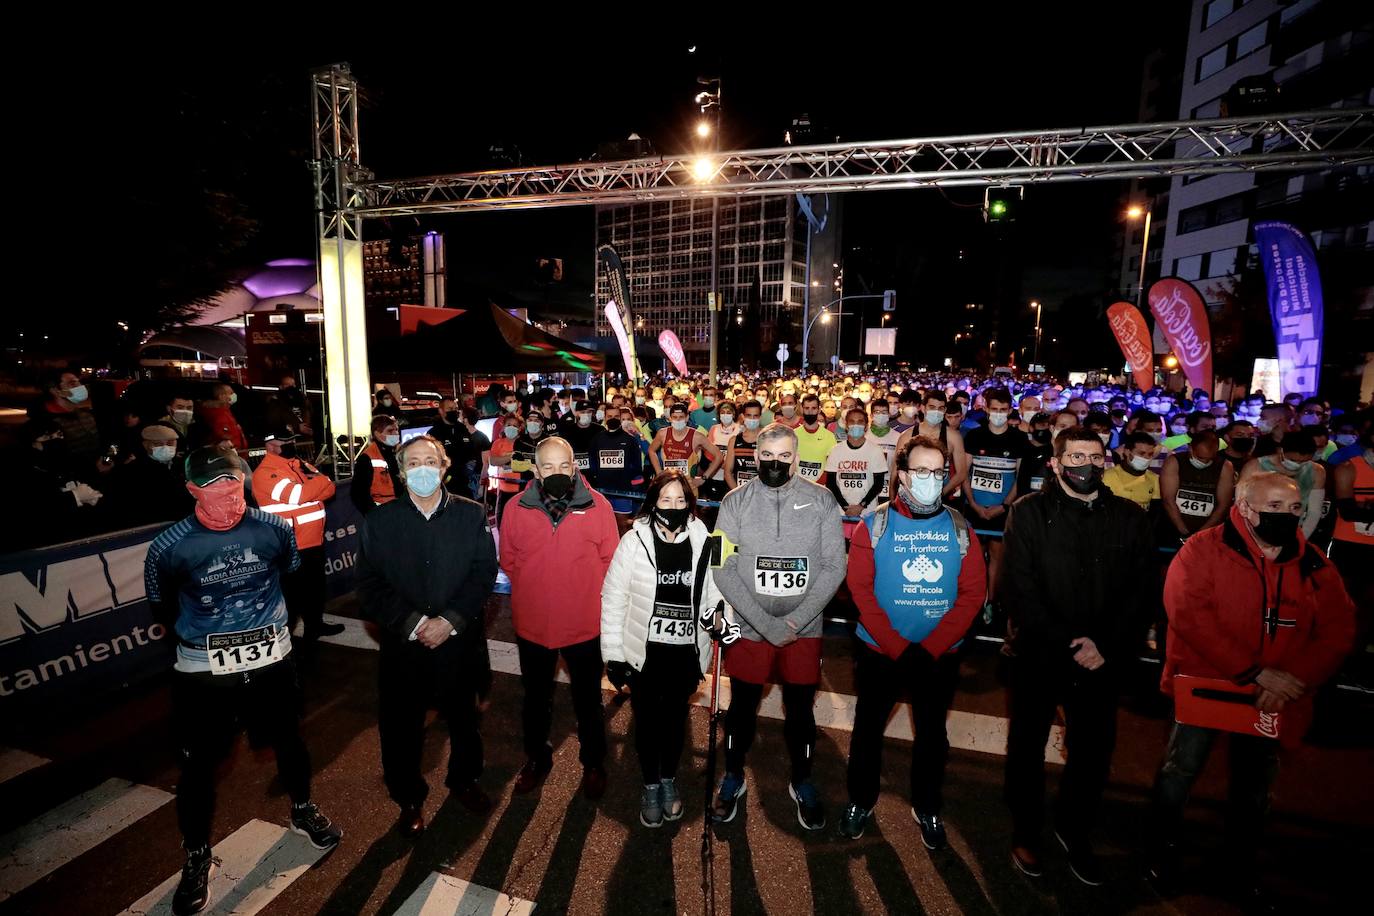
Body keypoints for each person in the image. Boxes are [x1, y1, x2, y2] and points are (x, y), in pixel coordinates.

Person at [145, 446, 341, 915]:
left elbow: (290, 581)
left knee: (290, 741)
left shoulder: (274, 528)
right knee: (198, 766)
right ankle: (196, 854)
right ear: (191, 489)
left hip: (272, 661)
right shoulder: (169, 547)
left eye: (232, 481)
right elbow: (163, 610)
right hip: (204, 674)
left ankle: (302, 810)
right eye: (211, 485)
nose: (225, 493)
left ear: (245, 479)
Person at [1146, 472, 1355, 907]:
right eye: (1275, 507)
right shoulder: (1203, 550)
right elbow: (1188, 615)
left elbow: (1338, 629)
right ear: (1244, 508)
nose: (1288, 516)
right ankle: (1163, 853)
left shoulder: (1313, 562)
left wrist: (1294, 680)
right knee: (1179, 773)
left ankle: (1238, 864)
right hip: (1209, 687)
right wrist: (1255, 672)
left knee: (1254, 787)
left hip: (1273, 696)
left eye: (1295, 509)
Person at [1000, 428, 1155, 884]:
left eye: (1093, 456)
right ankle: (1026, 830)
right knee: (1026, 748)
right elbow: (1019, 586)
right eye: (1074, 456)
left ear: (1107, 460)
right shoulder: (1028, 513)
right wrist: (1069, 640)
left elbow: (1142, 591)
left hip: (1102, 660)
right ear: (1055, 462)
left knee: (1092, 751)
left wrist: (1104, 644)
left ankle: (1075, 829)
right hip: (1041, 653)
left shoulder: (1130, 518)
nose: (1084, 465)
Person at [839, 436, 987, 845]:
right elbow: (860, 591)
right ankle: (860, 800)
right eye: (920, 471)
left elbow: (974, 594)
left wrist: (933, 647)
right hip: (879, 652)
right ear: (902, 475)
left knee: (932, 737)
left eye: (937, 472)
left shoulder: (960, 527)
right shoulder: (876, 524)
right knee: (868, 731)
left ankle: (927, 807)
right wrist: (899, 647)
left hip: (937, 658)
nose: (929, 479)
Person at [355, 434, 497, 837]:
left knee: (464, 720)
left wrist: (449, 620)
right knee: (401, 727)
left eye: (430, 461)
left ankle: (464, 780)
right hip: (405, 647)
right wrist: (416, 624)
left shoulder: (470, 515)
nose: (422, 469)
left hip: (459, 643)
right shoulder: (380, 522)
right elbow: (368, 585)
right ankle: (409, 798)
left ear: (444, 466)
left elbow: (484, 572)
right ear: (401, 472)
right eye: (413, 462)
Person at [710, 423, 846, 831]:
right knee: (741, 710)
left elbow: (834, 566)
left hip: (802, 631)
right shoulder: (732, 503)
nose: (775, 464)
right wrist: (764, 623)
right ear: (754, 457)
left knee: (801, 712)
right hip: (752, 629)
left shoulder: (822, 501)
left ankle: (802, 780)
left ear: (797, 457)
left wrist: (793, 621)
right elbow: (721, 566)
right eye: (766, 456)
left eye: (784, 457)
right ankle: (732, 776)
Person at [600, 471, 731, 827]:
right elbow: (614, 598)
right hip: (644, 653)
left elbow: (716, 592)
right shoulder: (633, 541)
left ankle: (670, 781)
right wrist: (613, 655)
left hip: (685, 653)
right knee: (646, 723)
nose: (672, 507)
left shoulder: (707, 541)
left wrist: (721, 619)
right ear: (653, 503)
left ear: (690, 504)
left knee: (675, 721)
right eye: (665, 500)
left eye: (680, 501)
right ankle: (650, 783)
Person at [500, 437, 620, 799]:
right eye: (547, 466)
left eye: (563, 465)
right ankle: (537, 758)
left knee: (588, 701)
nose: (556, 472)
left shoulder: (598, 505)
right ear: (535, 470)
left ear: (575, 466)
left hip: (584, 625)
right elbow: (508, 559)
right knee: (535, 699)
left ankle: (594, 762)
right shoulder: (514, 507)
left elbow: (610, 562)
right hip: (533, 626)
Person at [253, 431, 343, 640]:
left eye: (291, 440)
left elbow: (329, 489)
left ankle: (315, 625)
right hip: (291, 544)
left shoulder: (297, 463)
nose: (291, 443)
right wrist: (319, 482)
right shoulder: (266, 472)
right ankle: (287, 638)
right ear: (270, 444)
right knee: (292, 596)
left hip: (313, 540)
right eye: (285, 441)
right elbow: (298, 495)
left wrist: (318, 484)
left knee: (315, 588)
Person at [961, 387, 1027, 615]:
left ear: (1010, 411)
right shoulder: (974, 436)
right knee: (976, 559)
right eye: (994, 409)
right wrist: (974, 504)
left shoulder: (1019, 438)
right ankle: (975, 602)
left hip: (1002, 511)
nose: (999, 413)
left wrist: (1004, 506)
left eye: (1003, 410)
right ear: (986, 410)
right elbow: (964, 473)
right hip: (975, 509)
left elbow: (1020, 478)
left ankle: (991, 602)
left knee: (997, 560)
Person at [1240, 428, 1327, 539]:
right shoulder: (1255, 466)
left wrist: (1302, 538)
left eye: (1304, 462)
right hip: (1257, 529)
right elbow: (1240, 504)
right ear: (1280, 450)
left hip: (1295, 530)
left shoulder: (1317, 471)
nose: (1298, 465)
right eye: (1293, 460)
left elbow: (1314, 511)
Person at [108, 424, 194, 528]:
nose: (165, 447)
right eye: (158, 444)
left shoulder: (184, 464)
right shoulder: (135, 470)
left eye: (170, 443)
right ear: (146, 445)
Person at [1159, 430, 1233, 543]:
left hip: (1207, 532)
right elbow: (1168, 499)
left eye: (1210, 458)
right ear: (1190, 448)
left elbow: (1223, 505)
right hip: (1173, 528)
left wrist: (1199, 535)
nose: (1205, 461)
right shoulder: (1174, 461)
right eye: (1200, 457)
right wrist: (1184, 532)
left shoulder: (1225, 466)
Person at [895, 389, 968, 501]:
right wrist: (893, 499)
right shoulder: (907, 436)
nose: (936, 411)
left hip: (942, 496)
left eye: (940, 408)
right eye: (932, 407)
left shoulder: (954, 437)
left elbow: (961, 472)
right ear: (923, 408)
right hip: (912, 497)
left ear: (945, 410)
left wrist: (941, 493)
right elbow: (896, 472)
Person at [34, 367, 103, 480]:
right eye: (72, 383)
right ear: (56, 391)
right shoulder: (44, 423)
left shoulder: (88, 415)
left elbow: (106, 442)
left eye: (79, 382)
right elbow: (55, 462)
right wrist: (92, 468)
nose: (80, 387)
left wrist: (107, 459)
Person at [587, 405, 647, 533]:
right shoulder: (597, 439)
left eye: (616, 416)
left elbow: (636, 466)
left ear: (620, 418)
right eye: (609, 416)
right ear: (604, 418)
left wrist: (628, 481)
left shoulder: (630, 440)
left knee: (622, 527)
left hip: (623, 492)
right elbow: (592, 463)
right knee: (602, 528)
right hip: (602, 492)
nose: (613, 419)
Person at [825, 407, 889, 520]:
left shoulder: (876, 450)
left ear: (866, 426)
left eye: (860, 422)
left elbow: (878, 484)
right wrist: (846, 507)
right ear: (846, 425)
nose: (856, 425)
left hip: (868, 513)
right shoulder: (835, 450)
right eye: (852, 421)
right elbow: (831, 483)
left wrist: (861, 506)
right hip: (841, 512)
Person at [649, 403, 723, 488]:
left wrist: (703, 478)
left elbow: (719, 456)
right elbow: (651, 450)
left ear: (687, 417)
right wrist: (659, 472)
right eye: (675, 417)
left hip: (689, 487)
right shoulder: (662, 434)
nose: (678, 420)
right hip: (668, 484)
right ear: (670, 418)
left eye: (681, 417)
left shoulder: (697, 436)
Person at [351, 416, 403, 516]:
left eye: (396, 430)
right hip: (382, 512)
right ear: (377, 434)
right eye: (390, 431)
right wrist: (374, 515)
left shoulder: (398, 452)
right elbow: (359, 493)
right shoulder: (367, 458)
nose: (395, 433)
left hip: (400, 509)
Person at [1103, 431, 1162, 513]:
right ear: (1127, 452)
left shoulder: (1154, 478)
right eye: (1141, 453)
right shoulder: (1107, 476)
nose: (1146, 458)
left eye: (1150, 454)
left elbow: (1155, 511)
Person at [795, 393, 837, 486]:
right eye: (807, 408)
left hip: (820, 486)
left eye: (813, 408)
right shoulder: (793, 435)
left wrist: (817, 486)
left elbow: (831, 465)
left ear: (819, 410)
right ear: (802, 409)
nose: (810, 412)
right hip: (796, 485)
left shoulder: (829, 436)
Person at [724, 400, 764, 490]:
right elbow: (727, 472)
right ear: (743, 416)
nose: (752, 419)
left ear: (760, 417)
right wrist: (738, 493)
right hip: (738, 492)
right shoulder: (734, 440)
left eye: (755, 416)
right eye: (749, 415)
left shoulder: (767, 440)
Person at [511, 409, 556, 485]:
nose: (533, 423)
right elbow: (515, 465)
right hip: (525, 484)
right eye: (530, 420)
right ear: (526, 422)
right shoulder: (520, 441)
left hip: (545, 483)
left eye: (536, 421)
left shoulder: (549, 441)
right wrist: (531, 467)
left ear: (542, 423)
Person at [199, 384, 247, 453]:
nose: (234, 395)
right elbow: (223, 438)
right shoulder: (218, 414)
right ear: (221, 396)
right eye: (231, 393)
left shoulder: (226, 412)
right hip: (230, 456)